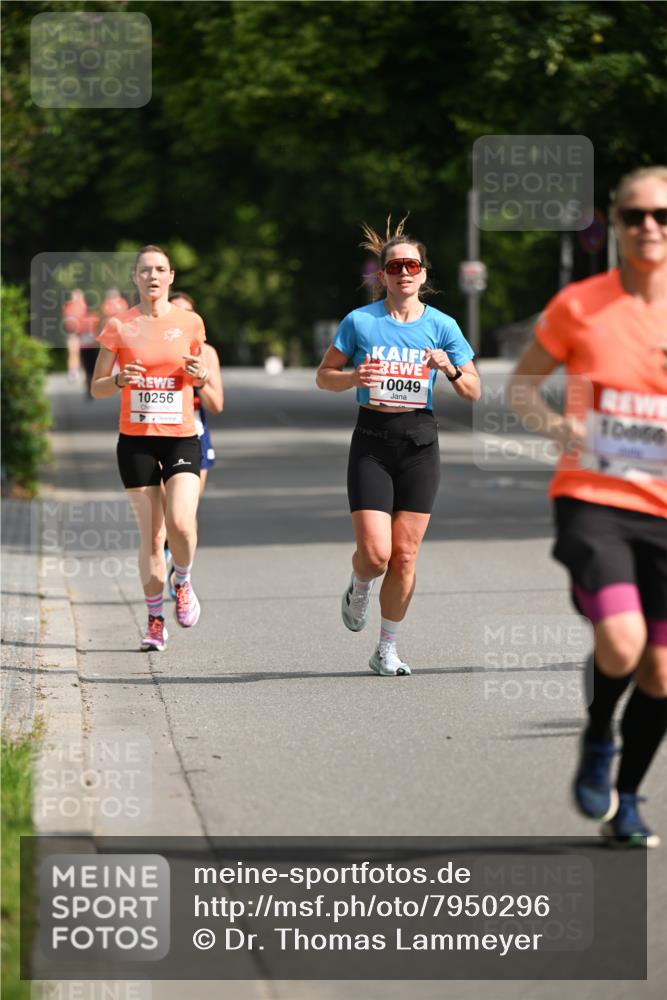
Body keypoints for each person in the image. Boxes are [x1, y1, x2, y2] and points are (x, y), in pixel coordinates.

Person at [508, 166, 667, 847]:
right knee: (623, 641)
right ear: (615, 222)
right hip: (592, 496)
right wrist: (556, 427)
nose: (649, 227)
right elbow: (520, 389)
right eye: (635, 216)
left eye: (662, 216)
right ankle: (599, 732)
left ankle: (625, 798)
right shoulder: (579, 304)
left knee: (660, 670)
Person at [316, 216, 480, 676]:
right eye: (394, 267)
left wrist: (448, 369)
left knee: (405, 555)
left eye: (411, 265)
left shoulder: (442, 325)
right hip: (372, 441)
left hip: (419, 444)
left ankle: (386, 647)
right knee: (376, 555)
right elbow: (323, 375)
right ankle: (360, 584)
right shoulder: (360, 322)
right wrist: (352, 377)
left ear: (424, 273)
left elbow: (474, 391)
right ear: (382, 275)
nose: (403, 273)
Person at [90, 246, 210, 652]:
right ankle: (156, 620)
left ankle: (184, 578)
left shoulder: (190, 322)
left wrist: (201, 374)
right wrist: (121, 380)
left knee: (181, 524)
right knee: (152, 535)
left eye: (160, 269)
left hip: (179, 435)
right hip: (135, 440)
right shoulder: (119, 324)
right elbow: (97, 386)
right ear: (135, 278)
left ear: (171, 276)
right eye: (145, 270)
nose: (153, 276)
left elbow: (201, 374)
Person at [164, 291, 223, 597]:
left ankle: (180, 573)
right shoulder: (153, 348)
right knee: (164, 509)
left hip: (195, 435)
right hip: (156, 433)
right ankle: (163, 549)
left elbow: (217, 404)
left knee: (186, 511)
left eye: (188, 314)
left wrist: (200, 379)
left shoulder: (206, 353)